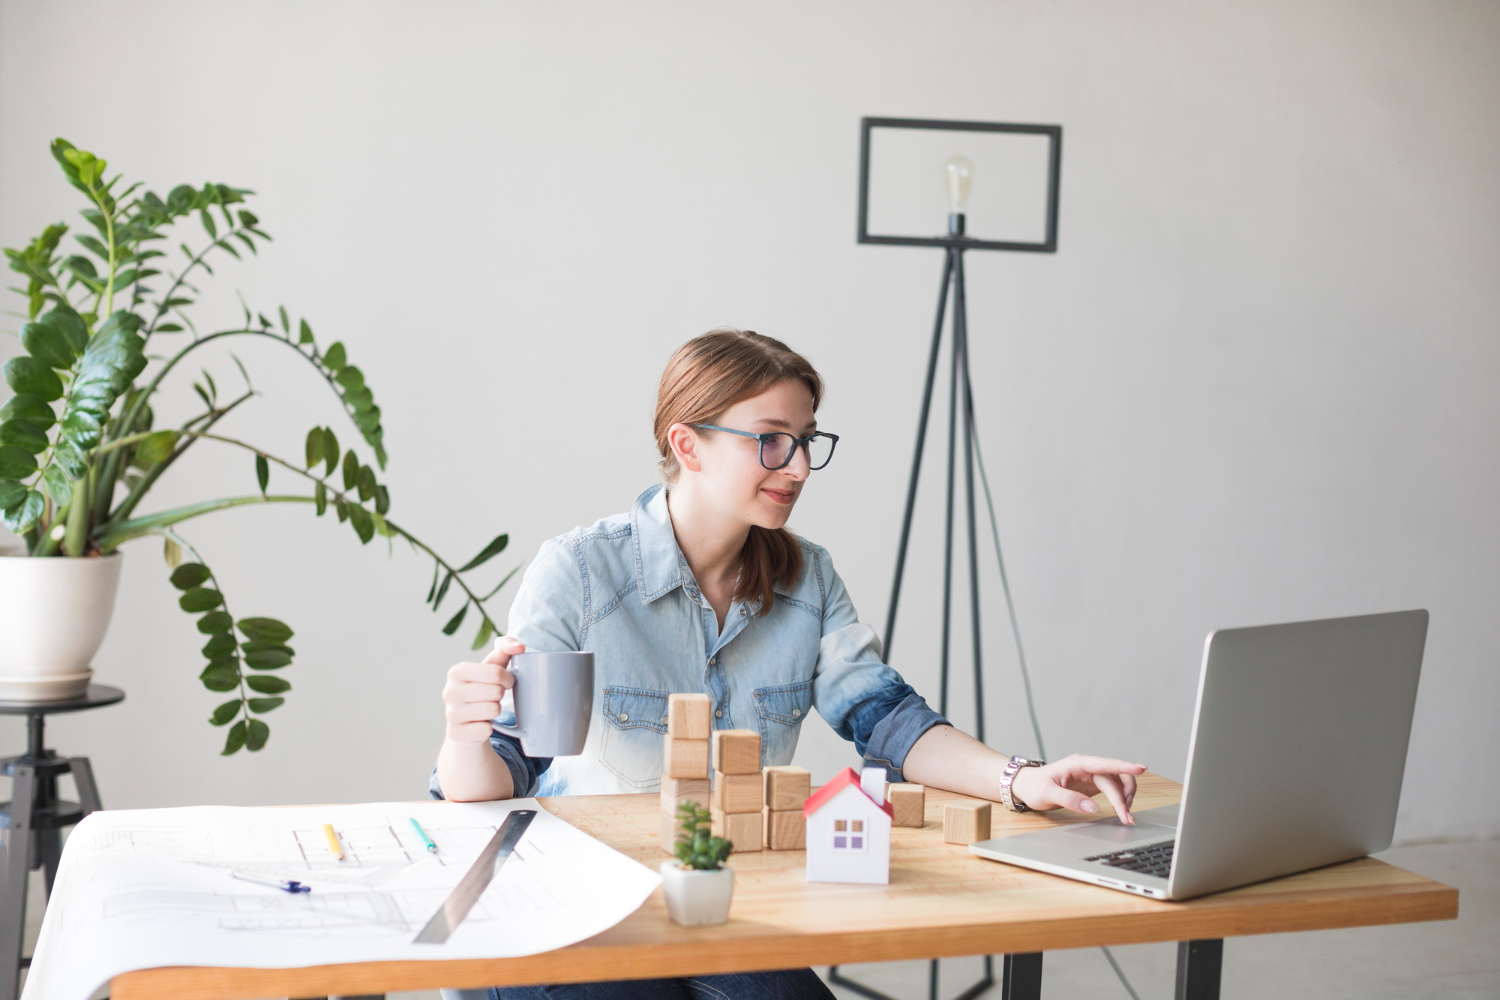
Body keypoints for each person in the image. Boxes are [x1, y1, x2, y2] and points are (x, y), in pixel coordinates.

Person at [433, 329, 1145, 1000]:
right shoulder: (581, 573)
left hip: (720, 907)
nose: (799, 467)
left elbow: (890, 721)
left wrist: (1021, 779)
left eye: (806, 441)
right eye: (771, 441)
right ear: (689, 444)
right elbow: (501, 770)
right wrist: (465, 736)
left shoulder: (808, 579)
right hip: (571, 905)